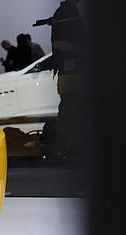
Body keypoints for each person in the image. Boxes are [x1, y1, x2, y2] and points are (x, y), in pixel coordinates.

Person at [51, 0, 85, 159]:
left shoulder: (65, 12)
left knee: (70, 110)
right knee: (70, 110)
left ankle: (67, 147)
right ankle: (65, 148)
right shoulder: (68, 12)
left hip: (68, 74)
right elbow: (59, 43)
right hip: (71, 75)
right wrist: (82, 50)